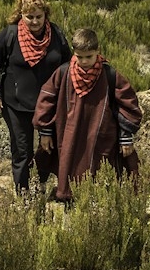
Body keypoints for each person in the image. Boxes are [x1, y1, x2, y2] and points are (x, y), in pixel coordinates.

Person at [33, 28, 142, 202]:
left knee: (100, 176)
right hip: (68, 135)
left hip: (101, 137)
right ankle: (71, 213)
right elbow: (46, 100)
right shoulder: (63, 73)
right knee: (69, 168)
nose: (84, 61)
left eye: (89, 57)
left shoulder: (109, 75)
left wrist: (126, 137)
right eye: (79, 56)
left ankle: (96, 214)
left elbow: (128, 105)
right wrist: (45, 132)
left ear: (98, 51)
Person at [0, 0, 72, 194]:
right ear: (20, 15)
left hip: (48, 104)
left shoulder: (56, 35)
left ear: (46, 15)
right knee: (22, 150)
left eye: (39, 17)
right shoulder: (10, 34)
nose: (34, 21)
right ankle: (23, 193)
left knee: (49, 147)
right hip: (16, 103)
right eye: (29, 16)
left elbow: (68, 65)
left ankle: (41, 183)